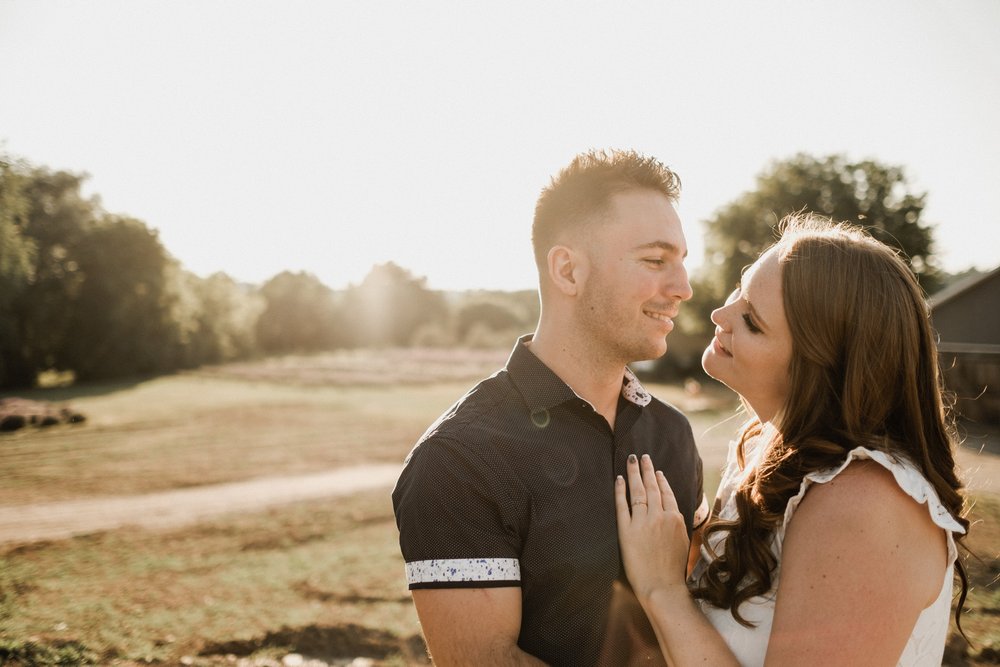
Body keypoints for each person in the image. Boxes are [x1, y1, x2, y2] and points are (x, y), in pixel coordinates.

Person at [392, 149, 710, 665]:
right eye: (656, 260)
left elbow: (695, 613)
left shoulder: (672, 432)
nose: (682, 288)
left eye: (681, 262)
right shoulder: (458, 459)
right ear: (567, 270)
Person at [616, 214, 970, 666]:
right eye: (738, 294)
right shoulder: (766, 449)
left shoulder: (864, 503)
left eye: (752, 321)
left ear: (819, 373)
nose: (718, 316)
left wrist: (661, 589)